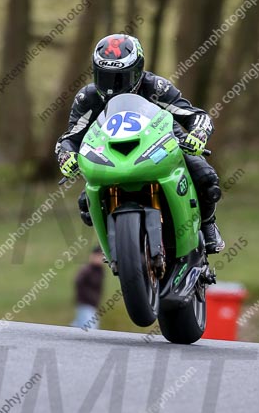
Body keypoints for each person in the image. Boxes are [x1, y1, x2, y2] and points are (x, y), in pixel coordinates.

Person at [56, 34, 224, 254]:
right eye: (104, 77)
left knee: (206, 178)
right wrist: (66, 156)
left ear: (137, 71)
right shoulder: (87, 98)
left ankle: (208, 224)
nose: (111, 87)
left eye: (119, 78)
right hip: (109, 154)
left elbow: (194, 115)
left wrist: (198, 134)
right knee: (86, 204)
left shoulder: (156, 86)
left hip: (161, 143)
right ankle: (120, 248)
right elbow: (70, 138)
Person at [71, 245, 106, 330]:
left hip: (93, 305)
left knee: (82, 326)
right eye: (98, 256)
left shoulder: (100, 271)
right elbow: (77, 281)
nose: (99, 258)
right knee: (90, 329)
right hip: (85, 303)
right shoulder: (87, 269)